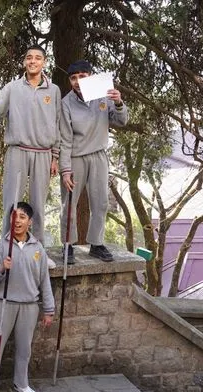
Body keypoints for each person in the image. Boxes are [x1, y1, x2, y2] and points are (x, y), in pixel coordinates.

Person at [0, 44, 61, 268]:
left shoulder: (54, 90)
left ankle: (39, 253)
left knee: (38, 205)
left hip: (43, 153)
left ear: (44, 62)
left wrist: (55, 156)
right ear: (24, 62)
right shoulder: (12, 88)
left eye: (37, 58)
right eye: (29, 58)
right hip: (17, 150)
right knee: (11, 203)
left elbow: (58, 124)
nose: (33, 61)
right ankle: (6, 251)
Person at [0, 202, 54, 392]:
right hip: (3, 303)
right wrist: (2, 268)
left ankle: (22, 383)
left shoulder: (38, 248)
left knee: (24, 348)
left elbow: (44, 280)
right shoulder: (1, 246)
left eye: (22, 217)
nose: (17, 221)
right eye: (14, 216)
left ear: (30, 222)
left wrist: (49, 309)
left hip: (29, 305)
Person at [59, 60, 128, 263]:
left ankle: (96, 244)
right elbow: (64, 139)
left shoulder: (103, 95)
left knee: (101, 202)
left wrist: (119, 103)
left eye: (82, 76)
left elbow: (121, 121)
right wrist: (65, 169)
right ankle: (68, 245)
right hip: (75, 157)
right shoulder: (66, 103)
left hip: (98, 155)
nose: (78, 81)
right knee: (69, 203)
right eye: (73, 78)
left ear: (90, 76)